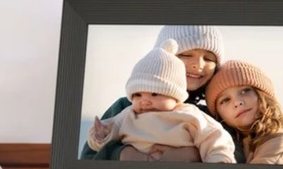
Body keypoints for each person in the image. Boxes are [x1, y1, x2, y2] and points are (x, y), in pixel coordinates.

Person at [82, 25, 246, 162]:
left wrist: (194, 155)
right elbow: (89, 156)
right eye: (187, 54)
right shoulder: (127, 107)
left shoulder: (215, 114)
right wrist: (121, 153)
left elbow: (237, 155)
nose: (198, 64)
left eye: (209, 59)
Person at [205, 60, 283, 164]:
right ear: (219, 115)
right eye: (225, 100)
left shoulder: (278, 141)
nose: (237, 102)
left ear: (262, 95)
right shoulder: (227, 145)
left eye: (245, 91)